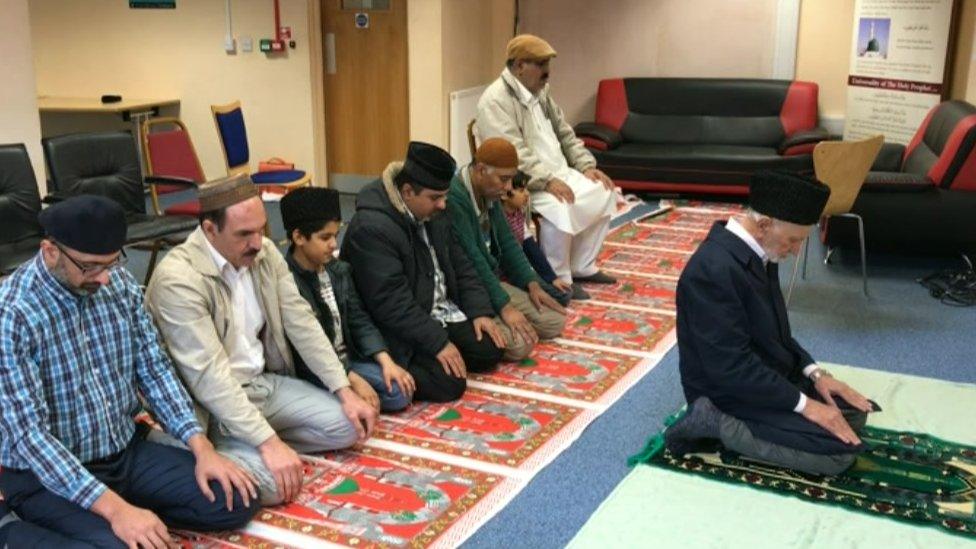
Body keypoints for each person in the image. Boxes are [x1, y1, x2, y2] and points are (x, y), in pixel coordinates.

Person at [0, 196, 257, 548]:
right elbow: (31, 437)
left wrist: (201, 447)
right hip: (45, 476)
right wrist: (116, 511)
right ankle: (12, 531)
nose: (104, 278)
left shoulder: (118, 286)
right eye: (91, 267)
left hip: (123, 452)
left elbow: (154, 370)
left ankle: (116, 520)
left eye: (111, 263)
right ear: (50, 251)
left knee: (236, 497)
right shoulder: (12, 314)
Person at [146, 175, 377, 506]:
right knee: (270, 486)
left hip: (262, 384)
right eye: (244, 234)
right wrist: (269, 443)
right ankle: (236, 444)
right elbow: (209, 378)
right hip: (210, 407)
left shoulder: (265, 253)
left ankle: (252, 439)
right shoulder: (178, 280)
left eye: (261, 230)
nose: (257, 242)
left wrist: (342, 389)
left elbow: (302, 323)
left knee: (350, 426)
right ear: (210, 230)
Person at [666, 170, 877, 476]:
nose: (795, 252)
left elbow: (777, 333)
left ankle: (790, 413)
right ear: (764, 225)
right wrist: (808, 406)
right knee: (837, 457)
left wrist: (816, 374)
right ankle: (711, 420)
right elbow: (730, 369)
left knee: (854, 414)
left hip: (765, 376)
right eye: (794, 241)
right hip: (727, 393)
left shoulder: (761, 251)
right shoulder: (712, 270)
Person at [341, 141, 505, 402]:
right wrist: (437, 342)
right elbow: (391, 303)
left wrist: (479, 310)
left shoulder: (435, 209)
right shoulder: (372, 228)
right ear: (407, 192)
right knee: (449, 384)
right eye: (435, 197)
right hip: (395, 328)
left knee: (490, 347)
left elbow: (461, 263)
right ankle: (377, 372)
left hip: (435, 310)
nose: (443, 204)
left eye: (444, 196)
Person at [477, 33, 618, 301]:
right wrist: (546, 181)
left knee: (604, 190)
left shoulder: (541, 92)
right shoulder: (495, 100)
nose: (547, 72)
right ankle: (559, 277)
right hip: (526, 181)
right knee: (559, 206)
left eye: (547, 65)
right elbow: (512, 154)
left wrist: (586, 165)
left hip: (560, 170)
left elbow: (565, 132)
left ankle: (581, 266)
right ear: (519, 66)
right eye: (540, 65)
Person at [280, 186, 414, 413]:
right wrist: (350, 380)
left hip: (349, 360)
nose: (334, 244)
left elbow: (358, 319)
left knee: (401, 391)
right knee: (351, 410)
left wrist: (385, 361)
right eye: (325, 237)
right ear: (299, 237)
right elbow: (308, 349)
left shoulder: (337, 270)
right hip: (316, 368)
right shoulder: (287, 281)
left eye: (336, 235)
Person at [447, 138, 567, 361]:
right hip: (469, 288)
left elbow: (509, 242)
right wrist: (504, 306)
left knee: (554, 322)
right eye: (504, 179)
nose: (509, 187)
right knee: (521, 345)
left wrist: (532, 283)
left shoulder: (489, 192)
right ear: (481, 170)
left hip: (491, 281)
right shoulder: (456, 197)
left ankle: (512, 320)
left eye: (511, 179)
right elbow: (474, 260)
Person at [501, 170, 573, 305]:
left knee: (564, 294)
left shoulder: (517, 212)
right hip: (509, 271)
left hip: (521, 267)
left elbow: (530, 247)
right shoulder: (499, 217)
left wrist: (552, 278)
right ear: (504, 194)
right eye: (522, 190)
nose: (527, 194)